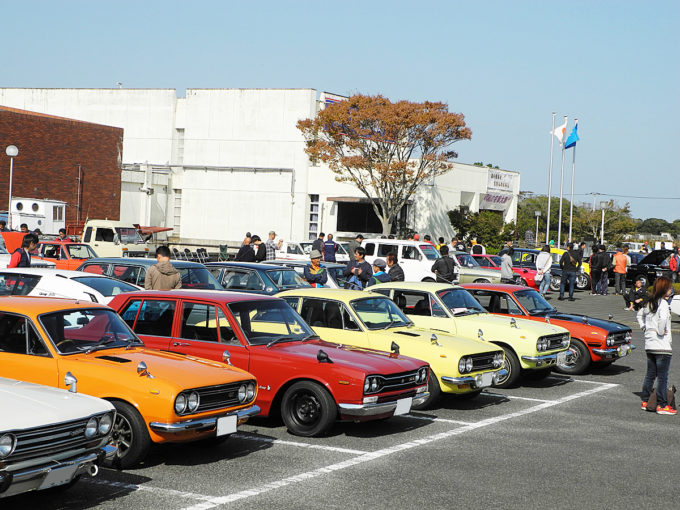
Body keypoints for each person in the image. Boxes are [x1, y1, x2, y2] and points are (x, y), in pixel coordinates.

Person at [637, 277, 675, 415]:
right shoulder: (663, 304)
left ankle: (646, 400)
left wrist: (644, 328)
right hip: (662, 345)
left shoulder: (649, 302)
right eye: (669, 287)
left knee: (650, 374)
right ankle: (662, 405)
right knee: (662, 376)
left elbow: (639, 315)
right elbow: (663, 319)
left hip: (650, 343)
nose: (671, 290)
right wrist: (660, 331)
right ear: (664, 289)